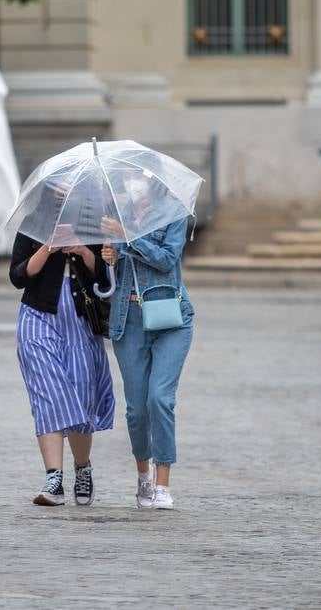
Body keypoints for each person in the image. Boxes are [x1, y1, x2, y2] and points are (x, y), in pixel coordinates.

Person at [100, 177, 196, 511]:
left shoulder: (173, 215)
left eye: (139, 180)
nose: (133, 186)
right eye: (129, 181)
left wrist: (127, 238)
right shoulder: (117, 216)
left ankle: (163, 484)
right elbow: (113, 271)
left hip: (171, 318)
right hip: (129, 320)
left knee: (160, 399)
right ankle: (143, 475)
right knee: (137, 409)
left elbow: (166, 259)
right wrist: (110, 256)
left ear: (154, 183)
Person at [9, 205, 114, 507]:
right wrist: (47, 248)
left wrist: (82, 250)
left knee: (82, 395)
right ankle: (53, 477)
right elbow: (18, 276)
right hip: (38, 314)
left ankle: (83, 467)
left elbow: (105, 276)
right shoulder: (34, 222)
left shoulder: (94, 222)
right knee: (48, 392)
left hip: (80, 318)